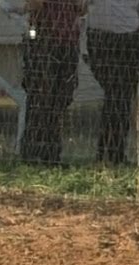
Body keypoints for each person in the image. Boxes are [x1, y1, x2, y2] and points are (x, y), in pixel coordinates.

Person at [13, 0, 88, 166]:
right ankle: (33, 153)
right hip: (43, 41)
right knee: (40, 99)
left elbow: (82, 9)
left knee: (60, 101)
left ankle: (52, 154)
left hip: (67, 42)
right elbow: (35, 4)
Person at [85, 0, 139, 165]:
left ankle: (112, 152)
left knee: (121, 98)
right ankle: (108, 152)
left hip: (129, 38)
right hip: (103, 38)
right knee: (115, 95)